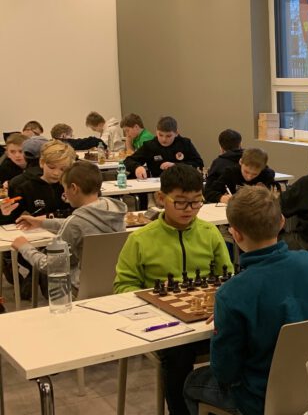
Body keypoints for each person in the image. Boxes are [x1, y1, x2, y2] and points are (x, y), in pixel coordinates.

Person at [183, 186, 308, 415]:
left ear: (235, 234)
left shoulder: (232, 293)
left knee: (193, 383)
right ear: (281, 222)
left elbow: (224, 371)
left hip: (260, 398)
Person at [113, 165, 233, 415]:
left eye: (196, 202)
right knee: (178, 352)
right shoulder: (140, 239)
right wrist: (158, 300)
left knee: (241, 338)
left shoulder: (209, 232)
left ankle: (230, 414)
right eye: (180, 202)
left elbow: (227, 276)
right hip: (163, 323)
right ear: (160, 198)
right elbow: (122, 287)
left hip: (206, 317)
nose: (189, 209)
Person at [11, 161, 127, 296]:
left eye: (64, 188)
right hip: (115, 282)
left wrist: (25, 247)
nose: (64, 193)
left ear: (73, 188)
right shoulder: (114, 211)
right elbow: (83, 224)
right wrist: (42, 223)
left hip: (80, 288)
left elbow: (51, 266)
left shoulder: (75, 224)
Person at [0, 140, 76, 225]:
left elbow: (80, 213)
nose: (56, 173)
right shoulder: (23, 186)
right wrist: (4, 213)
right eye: (51, 167)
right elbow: (10, 219)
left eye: (63, 169)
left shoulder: (73, 185)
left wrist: (48, 217)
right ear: (41, 163)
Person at [124, 116, 203, 179]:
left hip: (182, 182)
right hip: (157, 184)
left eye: (168, 136)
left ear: (176, 133)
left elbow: (199, 163)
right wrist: (137, 167)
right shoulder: (150, 146)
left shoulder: (185, 143)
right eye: (160, 135)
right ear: (156, 132)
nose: (164, 139)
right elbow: (128, 161)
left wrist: (176, 166)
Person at [204, 147, 277, 204]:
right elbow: (208, 192)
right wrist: (221, 198)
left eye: (255, 174)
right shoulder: (231, 173)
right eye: (246, 172)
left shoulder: (266, 176)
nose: (249, 177)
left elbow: (274, 195)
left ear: (262, 169)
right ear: (240, 162)